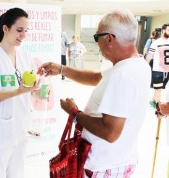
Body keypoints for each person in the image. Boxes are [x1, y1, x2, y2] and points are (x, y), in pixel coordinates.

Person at [37, 10, 151, 178]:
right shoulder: (137, 64)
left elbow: (110, 133)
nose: (96, 43)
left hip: (103, 165)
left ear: (110, 39)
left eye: (97, 37)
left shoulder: (122, 75)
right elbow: (96, 78)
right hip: (120, 159)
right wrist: (61, 69)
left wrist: (74, 112)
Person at [0, 8, 37, 178]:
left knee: (17, 174)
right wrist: (19, 90)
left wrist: (37, 91)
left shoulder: (26, 56)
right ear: (5, 28)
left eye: (26, 31)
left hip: (21, 130)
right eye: (19, 30)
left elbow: (30, 90)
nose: (23, 35)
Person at [145, 24, 169, 106]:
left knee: (160, 89)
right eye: (168, 30)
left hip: (167, 70)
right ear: (163, 31)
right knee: (158, 89)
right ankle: (157, 105)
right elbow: (149, 55)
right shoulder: (156, 43)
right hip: (158, 70)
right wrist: (144, 66)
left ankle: (153, 101)